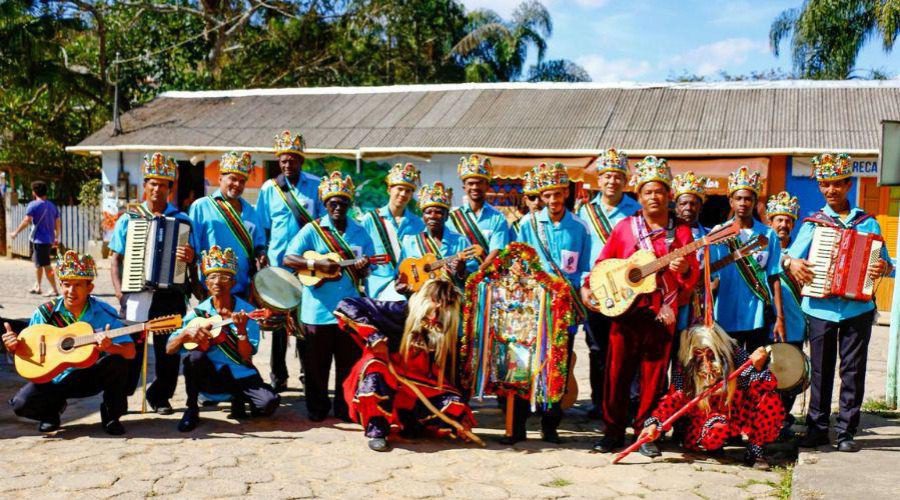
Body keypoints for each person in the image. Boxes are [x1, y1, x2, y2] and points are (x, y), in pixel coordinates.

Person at [583, 156, 699, 455]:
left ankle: (646, 434)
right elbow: (603, 264)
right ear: (639, 196)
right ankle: (612, 432)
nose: (654, 196)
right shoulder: (625, 227)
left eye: (659, 190)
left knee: (653, 378)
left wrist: (683, 268)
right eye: (648, 191)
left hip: (661, 315)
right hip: (626, 313)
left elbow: (692, 273)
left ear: (668, 195)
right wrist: (590, 289)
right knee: (616, 374)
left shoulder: (681, 232)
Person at [785, 153, 892, 452]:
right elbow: (788, 256)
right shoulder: (812, 224)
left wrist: (882, 267)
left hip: (857, 309)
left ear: (847, 184)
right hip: (819, 308)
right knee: (820, 369)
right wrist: (792, 263)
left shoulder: (868, 224)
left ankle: (846, 431)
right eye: (824, 185)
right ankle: (817, 429)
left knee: (853, 371)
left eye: (836, 184)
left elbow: (885, 263)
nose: (830, 190)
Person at [336, 279, 476, 452]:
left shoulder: (444, 327)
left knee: (452, 402)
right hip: (388, 370)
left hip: (419, 381)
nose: (437, 311)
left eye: (445, 306)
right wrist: (373, 336)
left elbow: (448, 373)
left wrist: (460, 420)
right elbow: (346, 304)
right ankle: (377, 431)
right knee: (375, 370)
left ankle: (411, 422)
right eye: (435, 302)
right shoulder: (398, 310)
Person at [5, 251, 134, 435]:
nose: (71, 291)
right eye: (66, 285)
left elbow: (130, 352)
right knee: (21, 404)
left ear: (90, 287)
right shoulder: (45, 313)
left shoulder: (102, 312)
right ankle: (51, 413)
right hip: (52, 379)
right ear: (60, 285)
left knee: (118, 362)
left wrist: (110, 347)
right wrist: (14, 348)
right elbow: (30, 353)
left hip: (87, 376)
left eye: (78, 285)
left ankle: (111, 415)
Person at [109, 153, 196, 415]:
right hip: (135, 293)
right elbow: (115, 259)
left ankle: (160, 396)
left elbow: (192, 261)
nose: (157, 190)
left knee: (168, 349)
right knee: (131, 347)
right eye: (153, 184)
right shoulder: (129, 218)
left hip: (170, 295)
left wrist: (190, 258)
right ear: (145, 185)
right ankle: (122, 395)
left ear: (171, 189)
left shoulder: (182, 220)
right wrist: (119, 293)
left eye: (163, 185)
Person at [284, 171, 374, 422]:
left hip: (348, 309)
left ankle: (345, 407)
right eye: (333, 202)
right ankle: (317, 408)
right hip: (316, 310)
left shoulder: (360, 231)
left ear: (349, 204)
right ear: (325, 204)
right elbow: (289, 258)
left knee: (348, 363)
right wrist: (317, 266)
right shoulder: (312, 230)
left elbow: (371, 266)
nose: (338, 206)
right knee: (316, 365)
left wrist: (364, 266)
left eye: (343, 202)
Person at [512, 162, 590, 444]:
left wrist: (582, 292)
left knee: (558, 364)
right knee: (524, 365)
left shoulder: (580, 227)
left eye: (559, 194)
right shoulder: (527, 224)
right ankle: (518, 426)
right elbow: (518, 264)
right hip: (532, 309)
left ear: (566, 193)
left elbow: (584, 269)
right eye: (548, 195)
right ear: (541, 196)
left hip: (564, 310)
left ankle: (551, 426)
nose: (554, 200)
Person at [167, 246, 280, 432]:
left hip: (241, 373)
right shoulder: (198, 313)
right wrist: (185, 335)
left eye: (224, 277)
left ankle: (241, 398)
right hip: (213, 376)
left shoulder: (248, 311)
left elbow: (246, 357)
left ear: (233, 282)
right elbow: (169, 348)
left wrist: (242, 330)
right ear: (206, 283)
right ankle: (191, 409)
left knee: (268, 405)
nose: (218, 282)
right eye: (212, 277)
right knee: (193, 357)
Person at [638, 324, 783, 468]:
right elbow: (674, 399)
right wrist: (654, 423)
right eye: (699, 356)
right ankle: (707, 442)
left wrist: (759, 367)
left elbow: (765, 383)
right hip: (706, 420)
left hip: (734, 412)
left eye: (711, 355)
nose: (707, 365)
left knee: (768, 396)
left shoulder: (734, 354)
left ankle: (755, 450)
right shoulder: (684, 365)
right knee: (718, 428)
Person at [255, 130, 322, 393]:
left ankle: (308, 373)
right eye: (283, 160)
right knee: (279, 323)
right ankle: (278, 375)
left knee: (306, 322)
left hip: (307, 265)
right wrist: (262, 253)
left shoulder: (316, 185)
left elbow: (321, 226)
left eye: (292, 159)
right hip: (279, 265)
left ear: (301, 160)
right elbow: (262, 227)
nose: (287, 164)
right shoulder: (269, 188)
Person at [576, 149, 640, 419]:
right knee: (597, 348)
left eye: (617, 177)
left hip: (626, 288)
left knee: (627, 347)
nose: (612, 181)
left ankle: (627, 403)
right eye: (607, 176)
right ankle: (599, 401)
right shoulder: (584, 211)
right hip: (595, 287)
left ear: (625, 181)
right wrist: (584, 285)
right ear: (599, 181)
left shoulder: (636, 211)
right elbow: (580, 250)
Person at [711, 166, 784, 351]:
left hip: (757, 315)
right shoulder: (719, 234)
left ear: (755, 202)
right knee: (728, 370)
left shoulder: (768, 234)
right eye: (739, 198)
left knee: (755, 369)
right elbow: (710, 275)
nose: (743, 203)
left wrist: (779, 317)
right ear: (731, 201)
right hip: (725, 313)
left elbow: (774, 277)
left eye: (748, 198)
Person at [189, 151, 267, 299]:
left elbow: (259, 243)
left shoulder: (251, 211)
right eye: (233, 179)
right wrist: (194, 282)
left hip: (242, 287)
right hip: (212, 288)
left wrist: (261, 253)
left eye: (242, 181)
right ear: (220, 178)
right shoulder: (201, 206)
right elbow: (192, 248)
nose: (237, 184)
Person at [766, 190, 806, 439]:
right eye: (779, 219)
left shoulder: (802, 251)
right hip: (766, 323)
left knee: (790, 375)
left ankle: (782, 419)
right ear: (770, 221)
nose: (783, 224)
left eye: (788, 220)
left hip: (794, 324)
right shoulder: (760, 245)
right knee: (766, 375)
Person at [361, 163, 425, 301]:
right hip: (378, 287)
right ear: (389, 189)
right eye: (400, 189)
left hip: (410, 285)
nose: (403, 194)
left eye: (408, 191)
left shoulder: (418, 224)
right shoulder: (370, 220)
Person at [396, 182, 469, 293]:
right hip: (420, 299)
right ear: (423, 216)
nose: (433, 216)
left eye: (438, 212)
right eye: (428, 212)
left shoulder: (460, 241)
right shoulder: (411, 242)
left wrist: (461, 271)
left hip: (451, 299)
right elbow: (400, 275)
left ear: (447, 216)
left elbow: (473, 277)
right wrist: (401, 285)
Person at [450, 155, 511, 271]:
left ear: (487, 186)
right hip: (456, 278)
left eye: (479, 183)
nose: (475, 187)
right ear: (464, 187)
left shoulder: (498, 218)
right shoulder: (451, 218)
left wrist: (477, 275)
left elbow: (497, 251)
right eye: (471, 183)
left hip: (485, 277)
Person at [671, 171, 711, 332]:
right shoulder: (665, 234)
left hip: (700, 303)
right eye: (683, 203)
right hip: (671, 300)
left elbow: (715, 272)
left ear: (700, 207)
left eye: (693, 203)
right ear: (676, 206)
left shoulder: (710, 235)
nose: (688, 208)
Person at [9, 180, 60, 297]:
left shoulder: (33, 205)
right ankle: (38, 286)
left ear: (34, 192)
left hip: (39, 240)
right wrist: (57, 236)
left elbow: (27, 221)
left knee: (46, 265)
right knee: (38, 263)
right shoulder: (52, 206)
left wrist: (15, 232)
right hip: (48, 240)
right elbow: (58, 222)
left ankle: (54, 289)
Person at [511, 168, 544, 236]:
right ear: (526, 200)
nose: (537, 202)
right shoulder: (517, 228)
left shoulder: (558, 225)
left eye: (541, 198)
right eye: (532, 197)